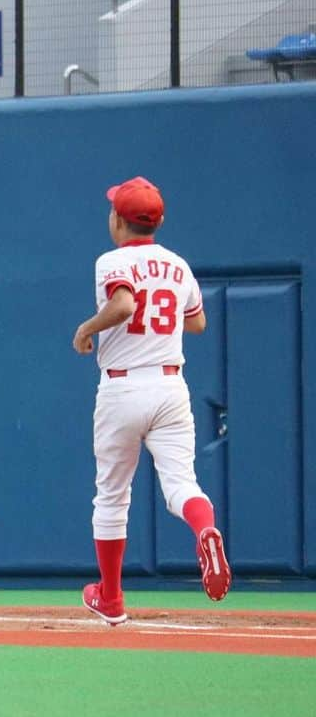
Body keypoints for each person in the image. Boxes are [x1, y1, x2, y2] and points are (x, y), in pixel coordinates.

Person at [72, 176, 231, 625]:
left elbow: (122, 305)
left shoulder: (111, 260)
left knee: (112, 496)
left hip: (123, 387)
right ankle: (205, 530)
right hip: (169, 385)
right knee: (181, 485)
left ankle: (112, 599)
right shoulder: (178, 265)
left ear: (119, 220)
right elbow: (197, 322)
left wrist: (87, 329)